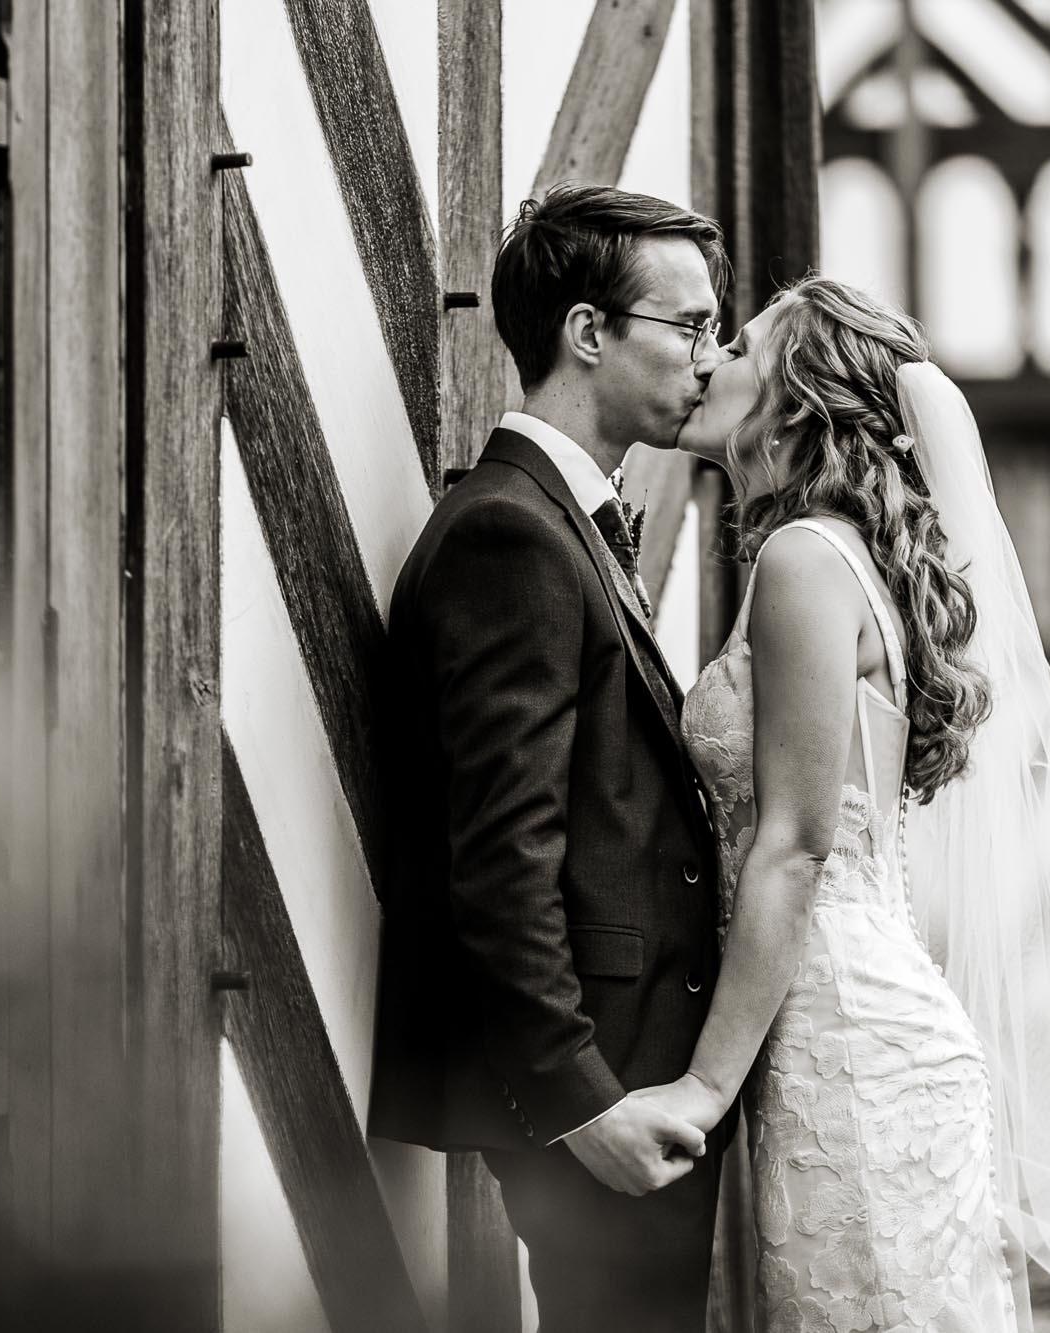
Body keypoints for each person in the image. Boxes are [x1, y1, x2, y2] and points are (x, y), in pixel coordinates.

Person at [644, 276, 1050, 1331]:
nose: (708, 358)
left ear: (793, 402)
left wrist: (699, 1091)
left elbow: (795, 849)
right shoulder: (835, 560)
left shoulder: (803, 561)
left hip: (845, 1047)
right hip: (840, 1030)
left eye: (738, 349)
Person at [368, 184, 734, 1332]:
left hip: (627, 1067)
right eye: (687, 327)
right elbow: (501, 849)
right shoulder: (507, 533)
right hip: (594, 1084)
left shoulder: (557, 519)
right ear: (587, 332)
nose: (710, 361)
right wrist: (583, 1105)